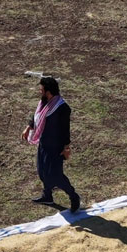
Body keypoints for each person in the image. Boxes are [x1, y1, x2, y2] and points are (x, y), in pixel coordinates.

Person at [22, 76, 80, 213]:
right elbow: (36, 117)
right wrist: (28, 127)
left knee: (55, 175)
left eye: (41, 90)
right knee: (42, 172)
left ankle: (73, 196)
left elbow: (65, 129)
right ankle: (47, 196)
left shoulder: (62, 108)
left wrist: (66, 148)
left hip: (55, 148)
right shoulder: (43, 102)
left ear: (49, 91)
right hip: (44, 144)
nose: (39, 92)